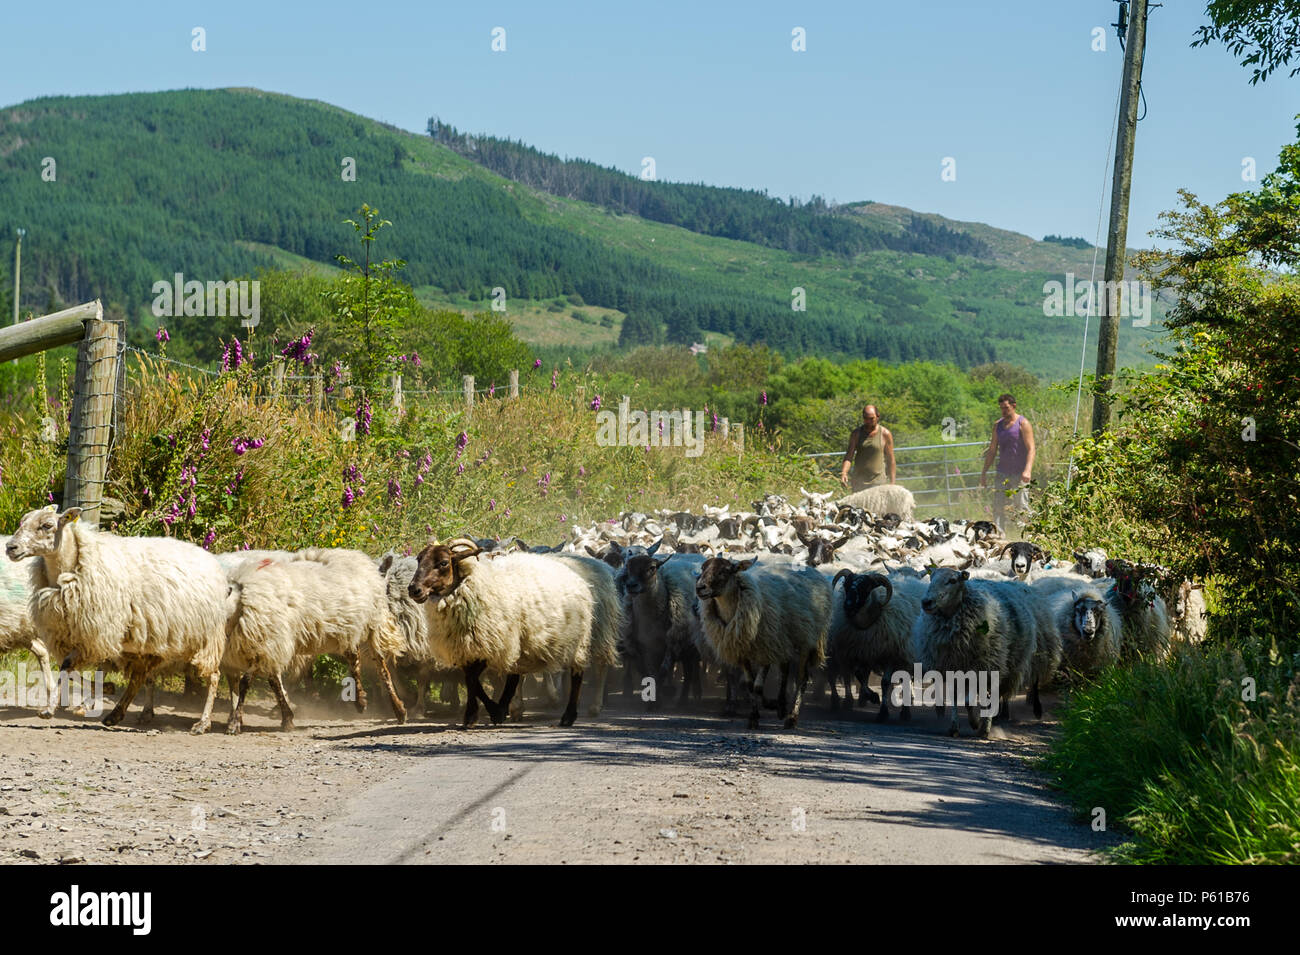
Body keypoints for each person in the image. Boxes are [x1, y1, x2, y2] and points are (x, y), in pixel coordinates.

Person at [980, 393, 1035, 531]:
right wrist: (984, 472)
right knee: (998, 506)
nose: (1004, 411)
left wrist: (1027, 470)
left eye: (1006, 408)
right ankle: (999, 535)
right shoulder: (997, 426)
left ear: (1013, 406)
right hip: (1002, 472)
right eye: (1001, 408)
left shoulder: (1023, 424)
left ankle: (1025, 535)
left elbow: (1031, 448)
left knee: (1021, 506)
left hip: (1020, 472)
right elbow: (992, 450)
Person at [840, 404, 896, 492]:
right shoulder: (856, 434)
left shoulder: (885, 434)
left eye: (871, 418)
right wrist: (844, 473)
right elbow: (849, 456)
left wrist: (892, 483)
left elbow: (891, 459)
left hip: (878, 482)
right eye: (866, 418)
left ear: (878, 417)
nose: (868, 421)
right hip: (859, 482)